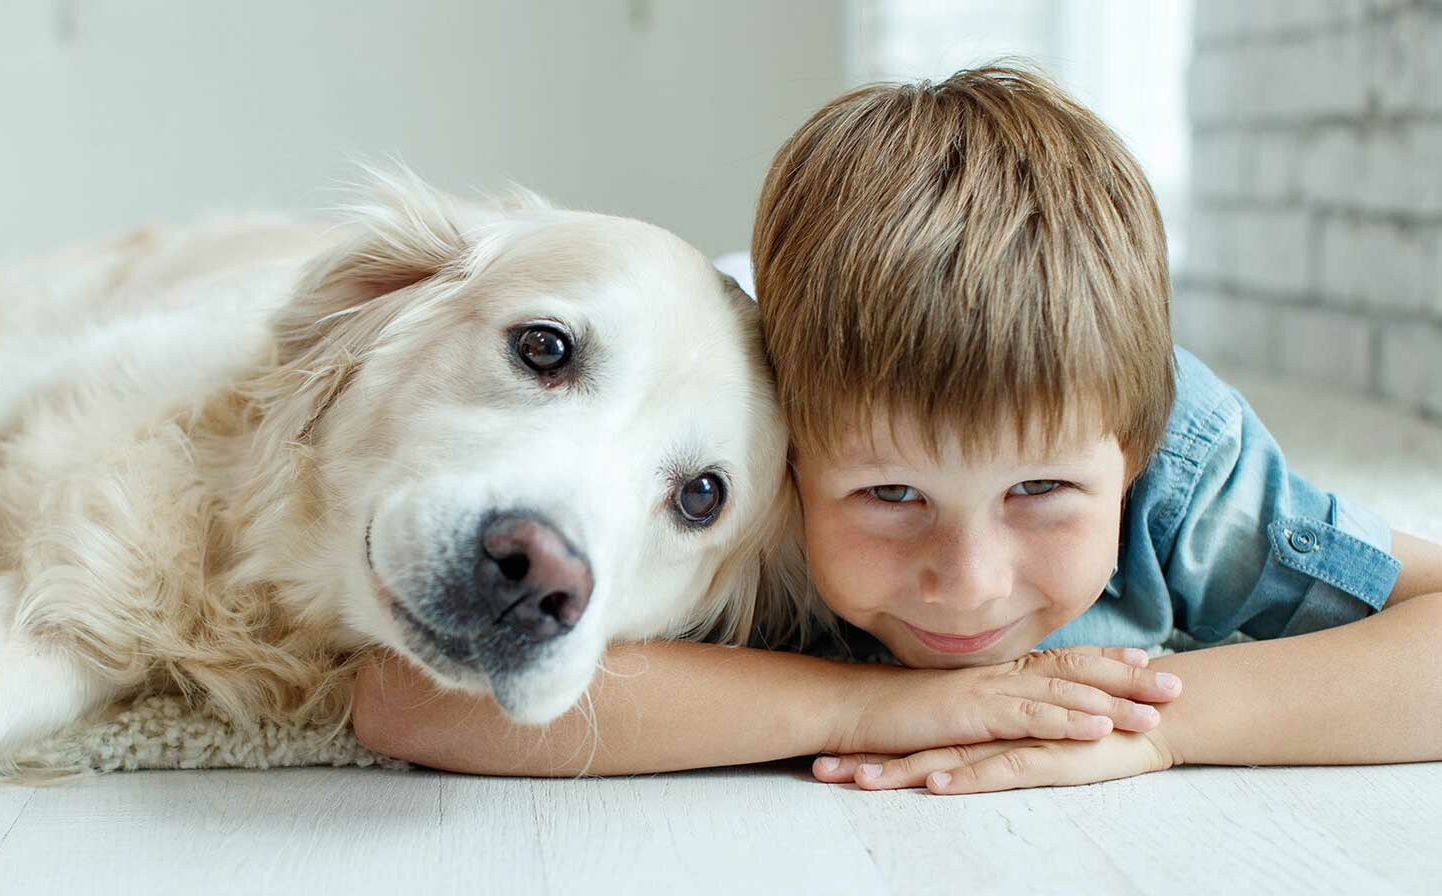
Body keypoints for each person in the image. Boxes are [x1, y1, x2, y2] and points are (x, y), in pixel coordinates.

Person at [351, 65, 1442, 793]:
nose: (964, 583)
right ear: (790, 470)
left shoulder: (1179, 455)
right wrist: (877, 707)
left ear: (1131, 451)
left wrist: (1155, 723)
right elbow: (403, 704)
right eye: (889, 496)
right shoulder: (733, 477)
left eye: (1039, 494)